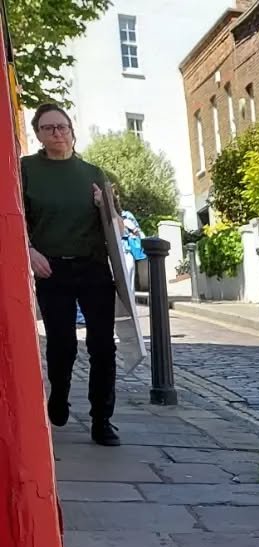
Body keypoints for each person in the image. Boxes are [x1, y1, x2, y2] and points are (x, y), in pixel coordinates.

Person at [22, 102, 120, 445]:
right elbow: (14, 218)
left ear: (72, 131)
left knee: (102, 346)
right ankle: (59, 395)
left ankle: (101, 419)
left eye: (61, 126)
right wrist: (29, 251)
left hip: (93, 266)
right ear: (38, 134)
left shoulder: (93, 173)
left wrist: (103, 206)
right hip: (52, 269)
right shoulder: (26, 170)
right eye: (48, 128)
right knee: (62, 344)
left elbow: (117, 225)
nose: (57, 133)